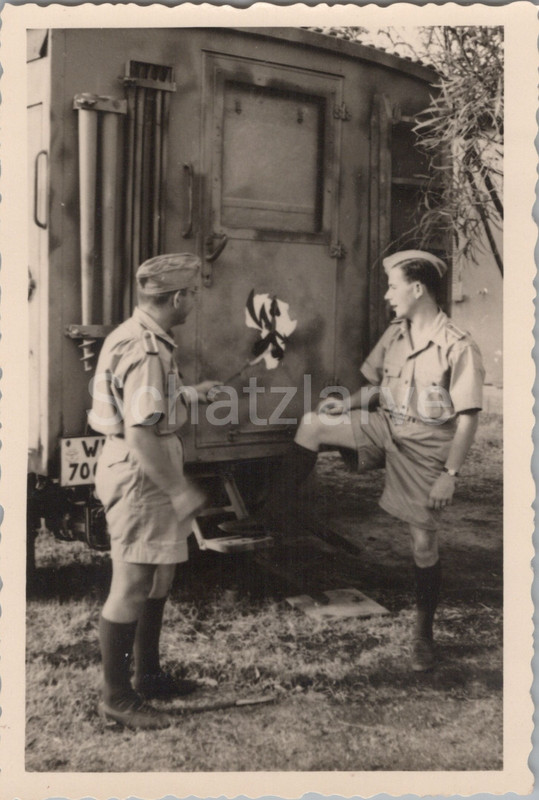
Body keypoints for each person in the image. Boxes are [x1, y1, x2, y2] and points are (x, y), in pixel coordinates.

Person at [225, 250, 484, 672]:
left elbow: (469, 418)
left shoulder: (457, 345)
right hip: (386, 426)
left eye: (393, 286)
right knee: (312, 423)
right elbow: (375, 388)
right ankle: (272, 515)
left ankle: (423, 635)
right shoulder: (396, 334)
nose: (387, 295)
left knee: (422, 543)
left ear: (417, 289)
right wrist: (342, 406)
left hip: (425, 445)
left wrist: (449, 476)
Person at [89, 253, 220, 729]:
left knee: (159, 577)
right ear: (177, 297)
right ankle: (117, 696)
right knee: (132, 583)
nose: (195, 302)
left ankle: (148, 675)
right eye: (193, 294)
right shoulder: (145, 350)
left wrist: (188, 394)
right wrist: (179, 491)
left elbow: (145, 405)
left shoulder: (145, 339)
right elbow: (141, 432)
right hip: (142, 473)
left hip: (147, 466)